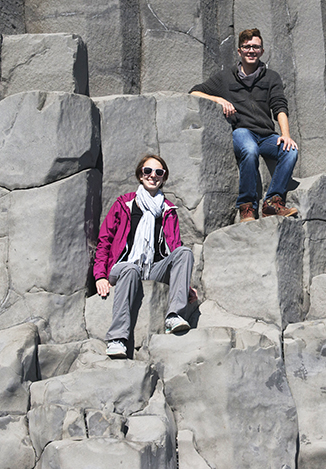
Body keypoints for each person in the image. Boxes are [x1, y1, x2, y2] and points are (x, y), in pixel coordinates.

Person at [190, 28, 299, 222]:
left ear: (262, 51)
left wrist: (286, 134)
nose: (251, 50)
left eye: (255, 47)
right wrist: (218, 99)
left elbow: (280, 106)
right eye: (247, 47)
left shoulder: (271, 77)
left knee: (290, 151)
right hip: (242, 132)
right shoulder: (226, 77)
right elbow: (194, 92)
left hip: (266, 135)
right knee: (249, 150)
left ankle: (272, 203)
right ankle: (247, 206)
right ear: (239, 51)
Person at [93, 154, 196, 358]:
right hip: (123, 266)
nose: (153, 176)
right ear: (140, 175)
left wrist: (184, 284)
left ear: (164, 177)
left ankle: (174, 316)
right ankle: (117, 339)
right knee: (131, 269)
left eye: (159, 172)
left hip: (153, 269)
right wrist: (100, 276)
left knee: (184, 252)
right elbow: (105, 240)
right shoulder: (124, 204)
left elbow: (175, 246)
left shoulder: (168, 210)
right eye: (147, 171)